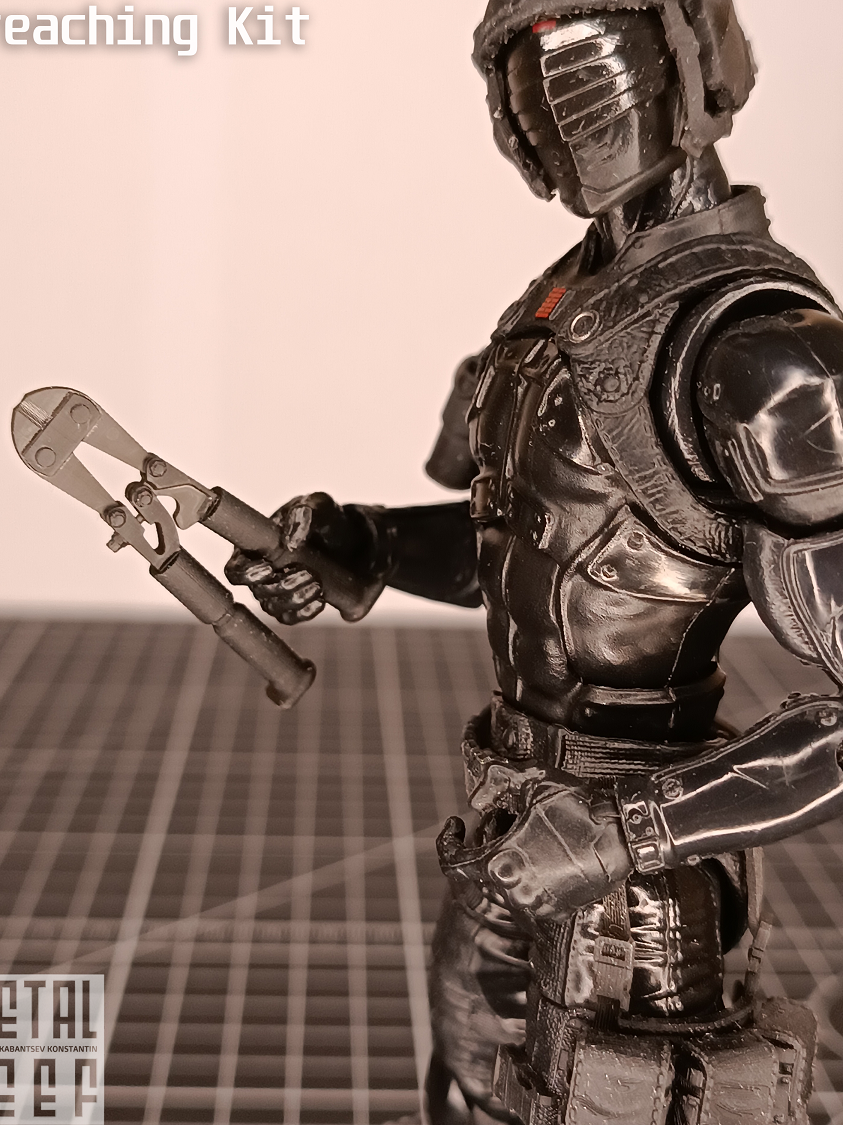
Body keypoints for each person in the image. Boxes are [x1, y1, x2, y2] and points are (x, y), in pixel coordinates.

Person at [228, 3, 843, 1122]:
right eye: (528, 83)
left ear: (690, 66)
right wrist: (369, 544)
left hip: (640, 873)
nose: (559, 115)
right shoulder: (554, 315)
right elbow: (533, 552)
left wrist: (625, 831)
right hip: (506, 820)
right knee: (472, 1088)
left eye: (585, 68)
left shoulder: (767, 353)